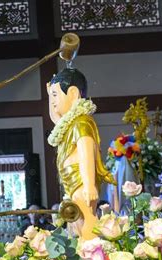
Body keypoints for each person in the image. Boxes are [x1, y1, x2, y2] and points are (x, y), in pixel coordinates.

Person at [47, 68, 114, 240]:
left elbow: (86, 151)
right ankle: (82, 253)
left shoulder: (81, 121)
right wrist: (50, 95)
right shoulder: (68, 123)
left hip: (81, 180)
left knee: (87, 220)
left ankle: (91, 253)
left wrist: (90, 184)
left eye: (56, 95)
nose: (53, 101)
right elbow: (55, 118)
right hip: (72, 182)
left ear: (73, 93)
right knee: (75, 223)